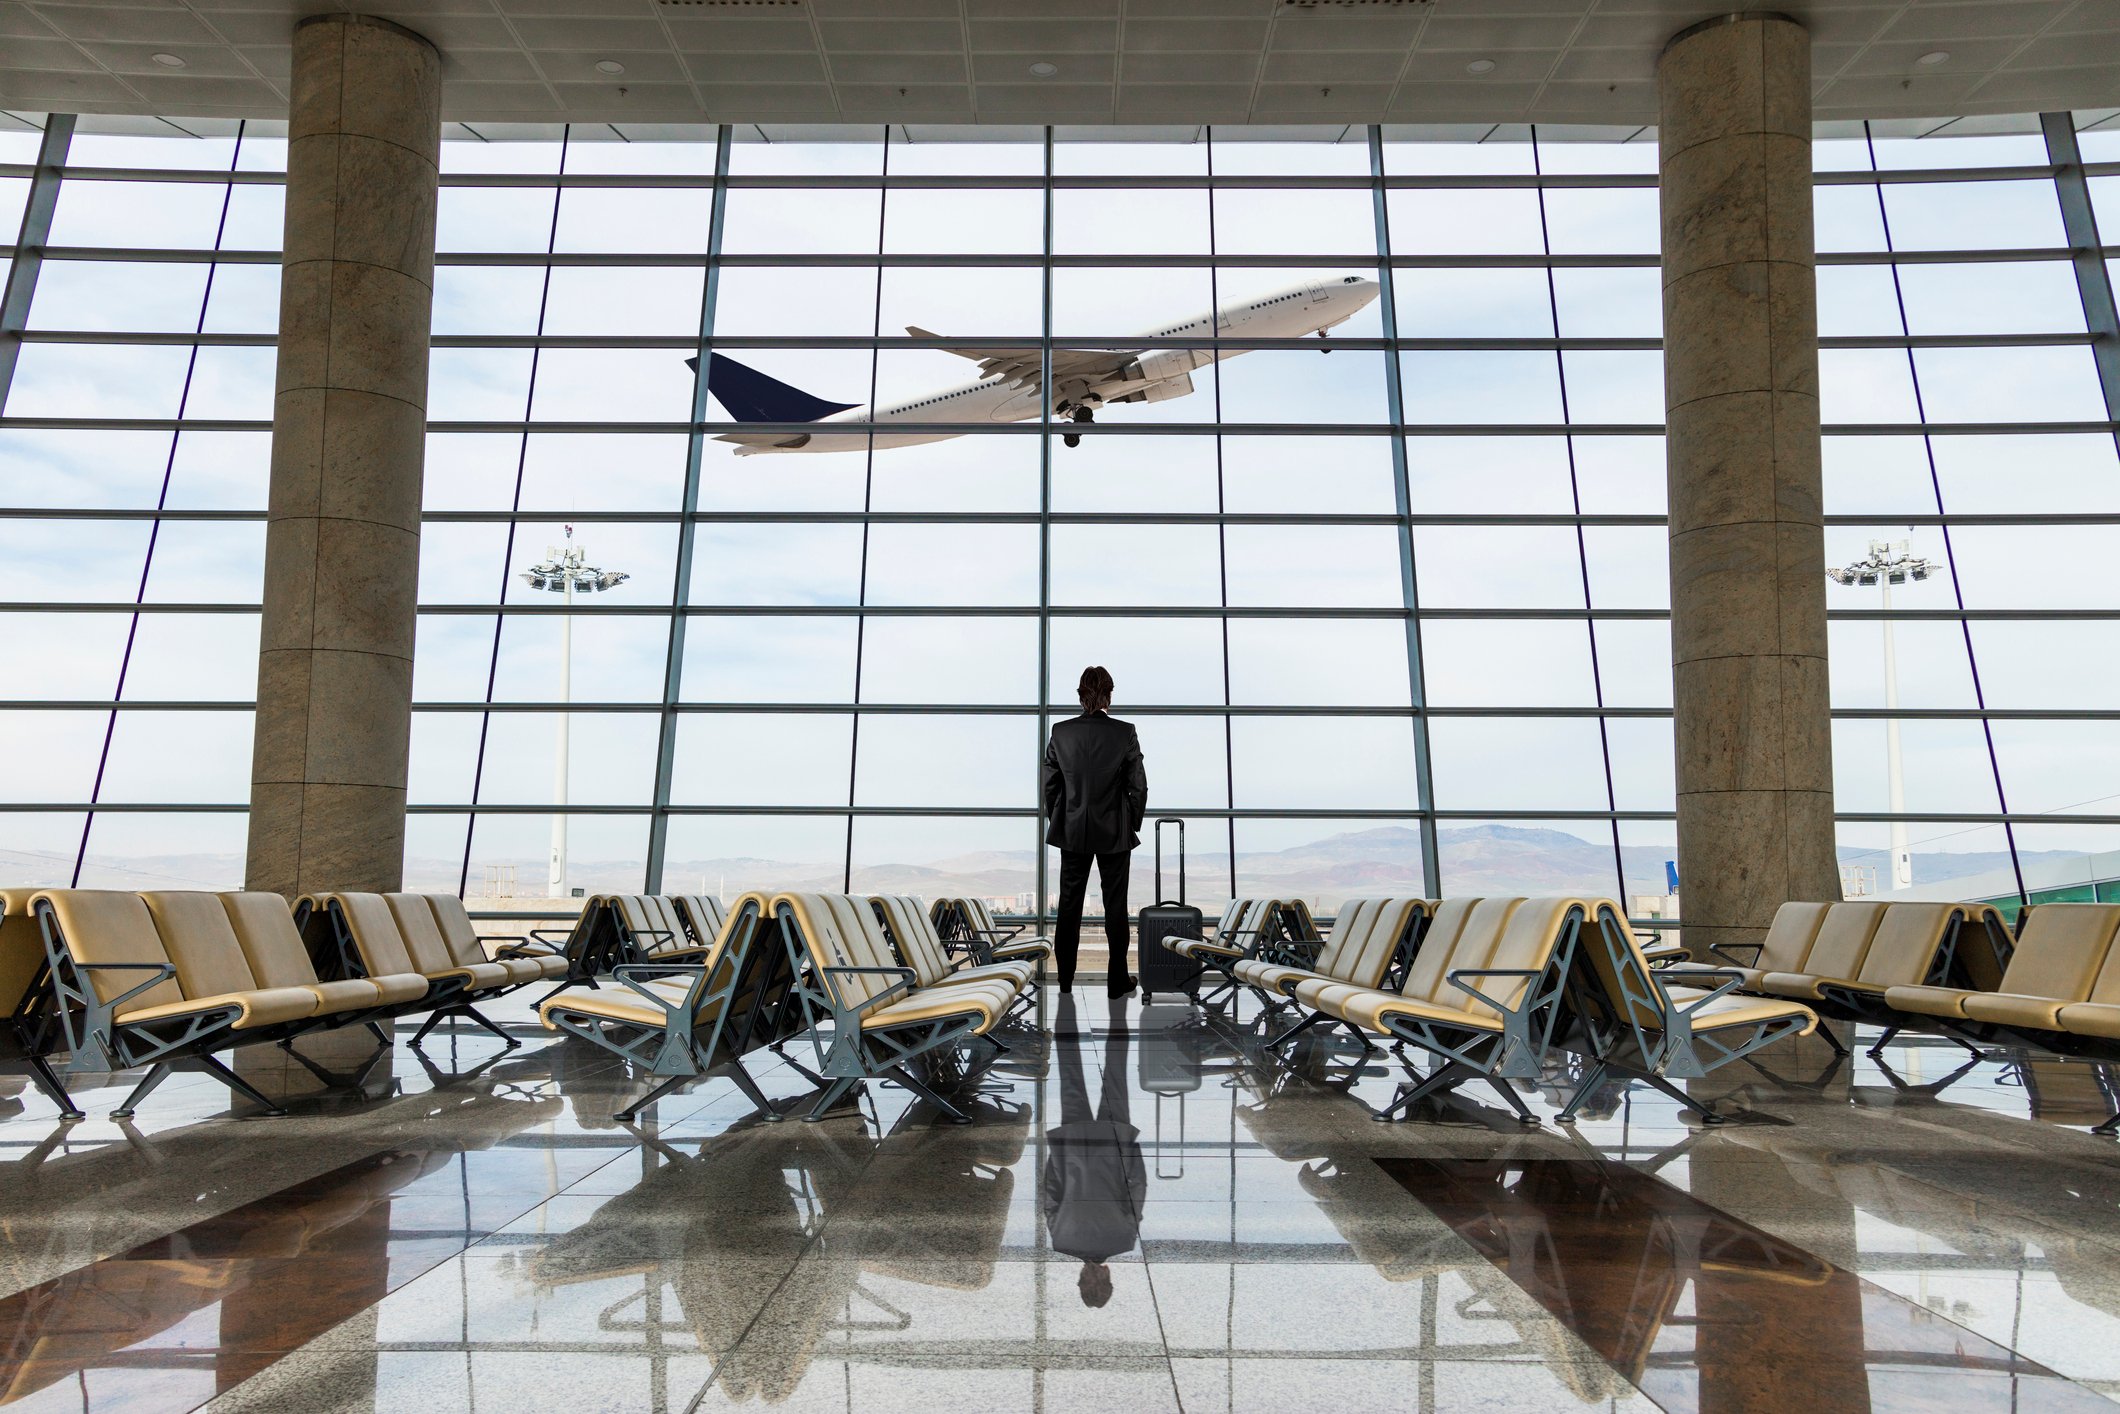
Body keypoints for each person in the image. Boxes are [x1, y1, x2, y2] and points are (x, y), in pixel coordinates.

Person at [1042, 666, 1148, 997]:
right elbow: (1138, 786)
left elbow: (1050, 784)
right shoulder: (1124, 731)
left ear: (1080, 694)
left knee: (1069, 907)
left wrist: (1059, 819)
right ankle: (1117, 982)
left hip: (1072, 831)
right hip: (1114, 832)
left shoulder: (1061, 732)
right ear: (1109, 695)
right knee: (1115, 907)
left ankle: (1064, 981)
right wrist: (1130, 823)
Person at [1042, 995, 1146, 1306]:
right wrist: (1060, 1153)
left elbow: (1137, 1187)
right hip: (1072, 1146)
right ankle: (1064, 995)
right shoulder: (1061, 1241)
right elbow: (1050, 1195)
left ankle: (1117, 1002)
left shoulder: (1124, 1240)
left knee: (1116, 1069)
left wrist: (1132, 1149)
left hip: (1115, 1144)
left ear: (1108, 1276)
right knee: (1069, 1068)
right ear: (1080, 1280)